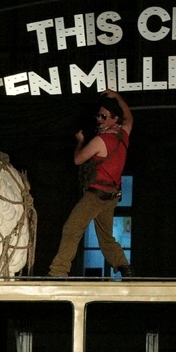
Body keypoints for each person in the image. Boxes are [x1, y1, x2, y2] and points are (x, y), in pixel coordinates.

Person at [48, 89, 134, 278]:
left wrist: (80, 141)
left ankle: (58, 272)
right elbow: (129, 116)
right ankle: (124, 267)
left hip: (96, 196)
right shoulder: (123, 134)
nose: (99, 119)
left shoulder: (100, 140)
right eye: (98, 115)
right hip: (111, 197)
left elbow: (78, 159)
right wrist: (116, 96)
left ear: (114, 118)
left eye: (104, 116)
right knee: (106, 237)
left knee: (72, 229)